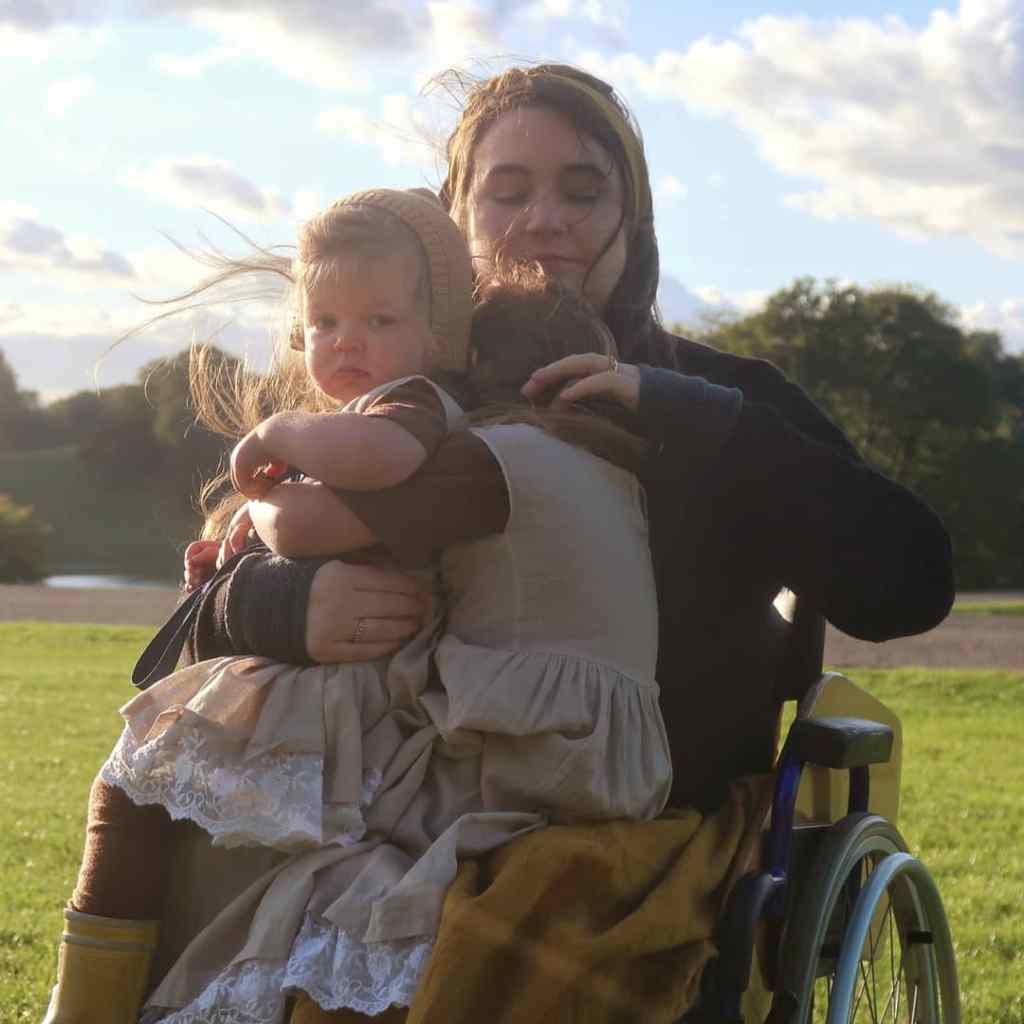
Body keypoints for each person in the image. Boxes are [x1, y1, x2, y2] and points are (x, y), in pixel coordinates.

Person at [178, 64, 955, 1023]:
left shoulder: (719, 397)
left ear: (635, 220)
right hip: (393, 816)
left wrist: (690, 419)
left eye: (585, 191)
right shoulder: (386, 389)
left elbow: (910, 584)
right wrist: (280, 604)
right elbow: (197, 608)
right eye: (508, 191)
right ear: (453, 217)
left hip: (643, 830)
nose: (545, 219)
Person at [44, 188, 672, 1024]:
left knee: (153, 773)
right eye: (327, 325)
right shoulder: (580, 456)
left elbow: (315, 516)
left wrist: (264, 475)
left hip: (480, 733)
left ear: (453, 348)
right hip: (516, 720)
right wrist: (254, 585)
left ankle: (93, 1003)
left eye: (380, 324)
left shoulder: (458, 437)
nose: (350, 345)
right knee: (173, 773)